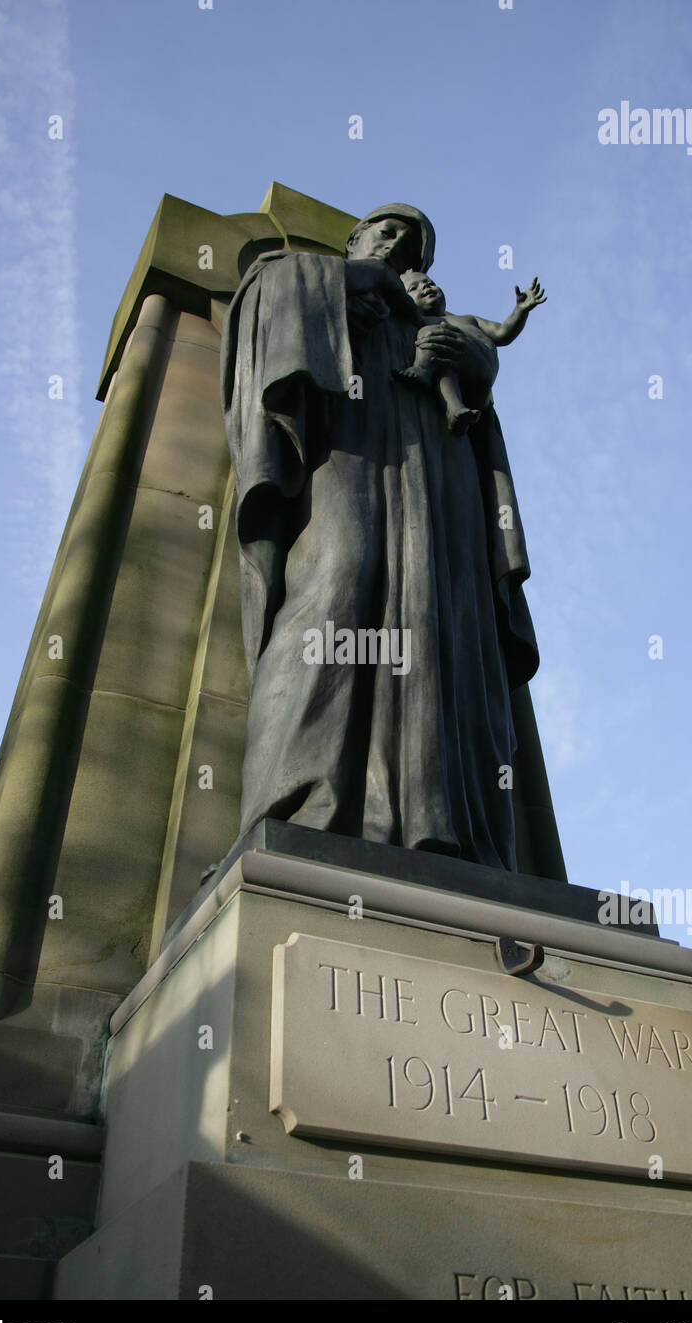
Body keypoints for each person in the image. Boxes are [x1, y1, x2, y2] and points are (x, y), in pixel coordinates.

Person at [220, 204, 540, 870]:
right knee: (338, 578)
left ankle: (448, 827)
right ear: (356, 239)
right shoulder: (307, 274)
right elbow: (270, 304)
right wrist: (362, 288)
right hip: (346, 448)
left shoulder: (430, 314)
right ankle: (299, 806)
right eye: (386, 230)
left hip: (439, 469)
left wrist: (464, 352)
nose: (399, 245)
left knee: (446, 621)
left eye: (412, 243)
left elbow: (483, 361)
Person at [395, 270, 546, 436]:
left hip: (483, 371)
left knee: (438, 346)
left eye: (429, 283)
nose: (425, 288)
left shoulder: (468, 319)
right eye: (413, 288)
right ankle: (452, 407)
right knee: (443, 365)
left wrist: (520, 311)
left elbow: (502, 332)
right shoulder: (420, 323)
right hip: (457, 376)